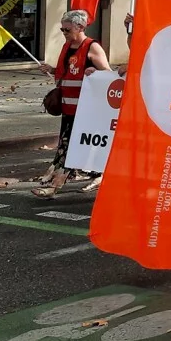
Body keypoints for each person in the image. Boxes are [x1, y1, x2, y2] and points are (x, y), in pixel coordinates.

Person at [34, 10, 110, 199]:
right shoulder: (67, 47)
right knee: (70, 145)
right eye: (62, 29)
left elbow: (109, 75)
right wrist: (51, 69)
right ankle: (94, 173)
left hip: (86, 111)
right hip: (68, 109)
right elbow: (66, 73)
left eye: (67, 29)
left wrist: (96, 72)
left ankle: (54, 184)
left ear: (80, 27)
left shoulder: (92, 48)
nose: (64, 32)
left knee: (69, 147)